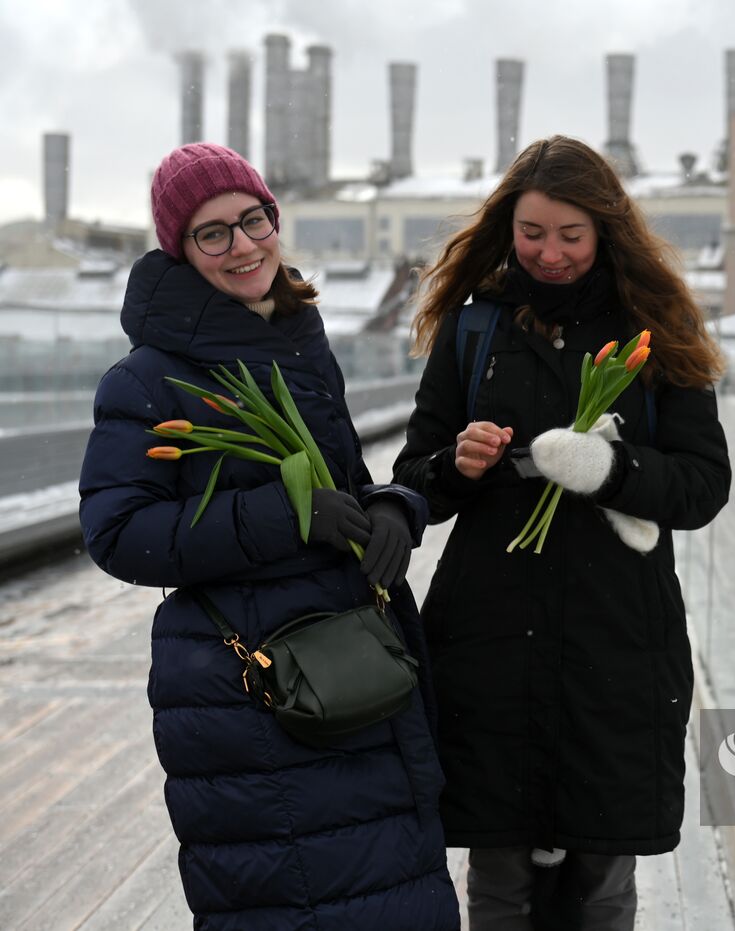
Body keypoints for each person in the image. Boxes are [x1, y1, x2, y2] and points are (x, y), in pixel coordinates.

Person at [78, 143, 459, 930]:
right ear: (178, 252)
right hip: (261, 694)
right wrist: (286, 518)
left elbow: (343, 484)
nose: (243, 245)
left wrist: (390, 508)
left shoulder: (297, 342)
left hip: (354, 667)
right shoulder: (148, 379)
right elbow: (118, 532)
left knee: (394, 896)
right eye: (211, 233)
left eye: (253, 220)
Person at [392, 135, 730, 929]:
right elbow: (414, 479)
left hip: (614, 640)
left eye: (570, 236)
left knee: (602, 875)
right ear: (508, 224)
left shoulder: (657, 325)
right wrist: (456, 462)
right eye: (531, 232)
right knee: (498, 873)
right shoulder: (476, 326)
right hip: (490, 636)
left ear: (606, 230)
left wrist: (608, 470)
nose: (548, 253)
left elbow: (703, 484)